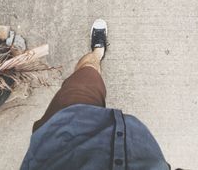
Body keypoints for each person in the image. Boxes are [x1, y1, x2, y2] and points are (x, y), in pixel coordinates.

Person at [21, 19, 171, 170]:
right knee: (89, 72)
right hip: (138, 149)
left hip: (64, 140)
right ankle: (98, 53)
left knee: (86, 71)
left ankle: (97, 53)